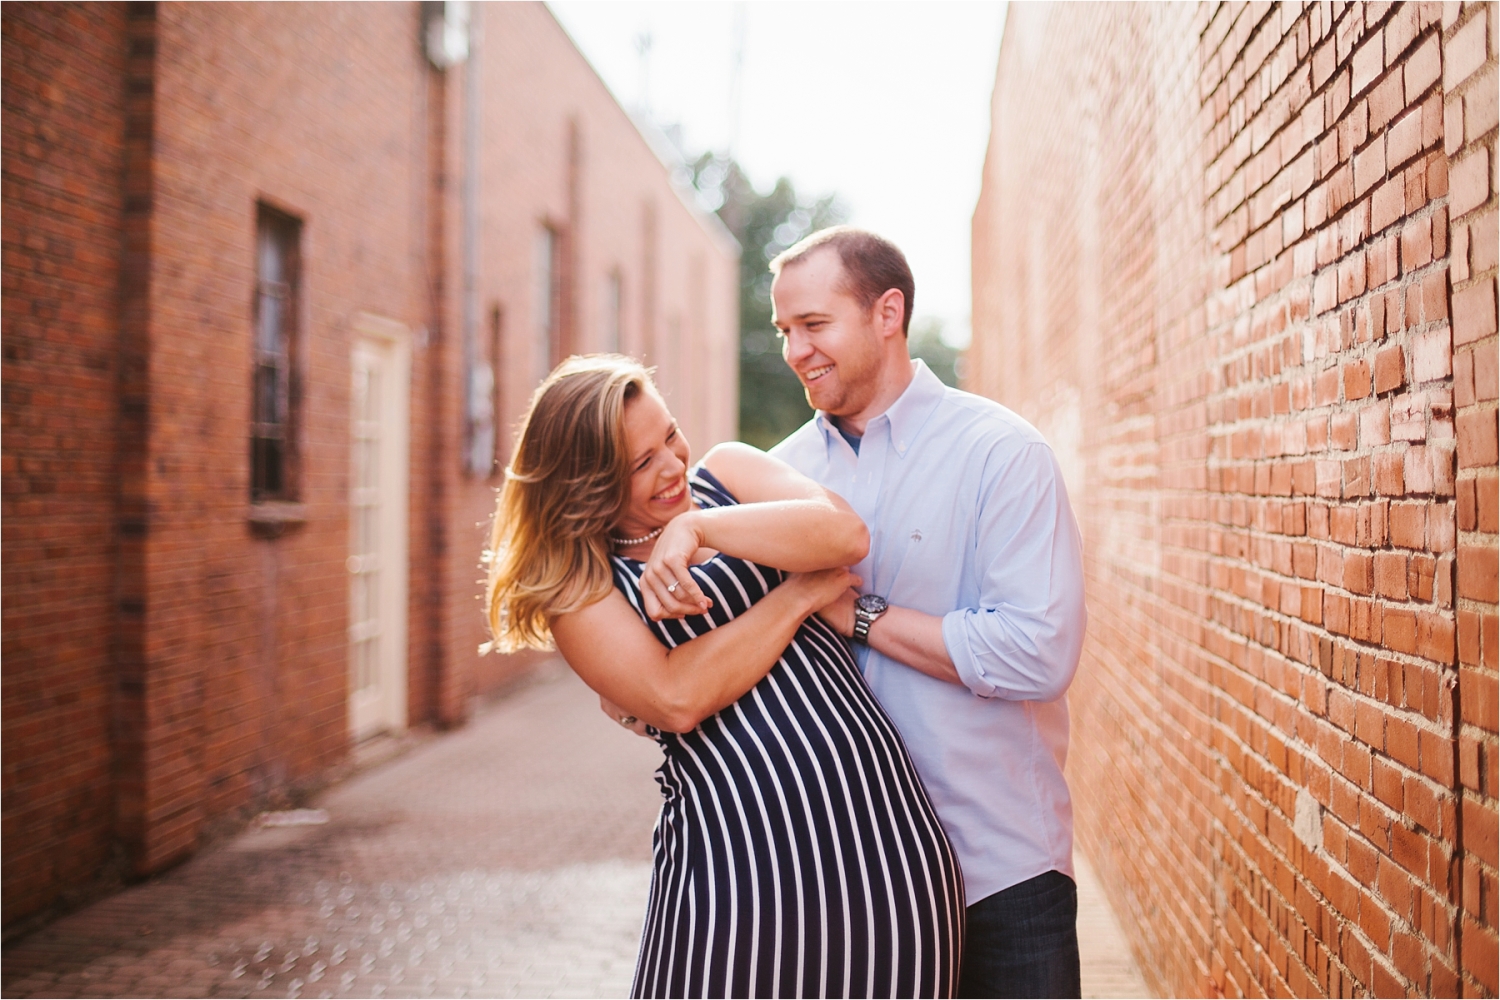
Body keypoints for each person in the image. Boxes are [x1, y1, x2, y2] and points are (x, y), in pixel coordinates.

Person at [484, 355, 964, 999]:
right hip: (734, 857)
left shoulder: (729, 475)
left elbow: (844, 533)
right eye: (640, 463)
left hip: (876, 834)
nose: (672, 466)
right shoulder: (581, 584)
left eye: (670, 436)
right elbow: (674, 698)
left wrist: (696, 524)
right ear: (587, 482)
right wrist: (794, 598)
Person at [767, 227, 1088, 999]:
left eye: (814, 325)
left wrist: (860, 614)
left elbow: (1037, 653)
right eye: (783, 331)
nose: (795, 351)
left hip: (997, 875)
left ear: (888, 312)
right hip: (846, 889)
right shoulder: (778, 479)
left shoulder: (1000, 454)